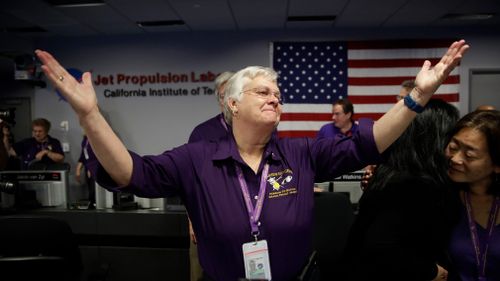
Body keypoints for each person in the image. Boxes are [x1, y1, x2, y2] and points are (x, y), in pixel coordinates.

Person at [35, 39, 468, 281]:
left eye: (278, 94)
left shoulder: (301, 152)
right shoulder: (196, 158)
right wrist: (89, 115)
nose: (275, 97)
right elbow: (133, 173)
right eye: (263, 91)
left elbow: (367, 143)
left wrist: (417, 98)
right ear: (232, 105)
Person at [342, 99, 460, 281]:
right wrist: (430, 271)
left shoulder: (389, 170)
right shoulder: (417, 184)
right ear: (435, 137)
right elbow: (380, 245)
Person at [188, 71, 234, 281]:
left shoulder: (260, 131)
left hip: (246, 221)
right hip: (206, 219)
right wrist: (192, 218)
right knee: (202, 272)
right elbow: (190, 180)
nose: (230, 100)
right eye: (225, 95)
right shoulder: (201, 133)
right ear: (219, 100)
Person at [446, 109, 500, 281]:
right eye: (453, 147)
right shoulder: (441, 198)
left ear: (497, 164)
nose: (455, 159)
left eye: (469, 154)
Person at [188, 71, 234, 143]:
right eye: (222, 97)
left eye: (230, 95)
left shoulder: (255, 128)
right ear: (219, 101)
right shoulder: (201, 132)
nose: (227, 101)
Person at [75, 134, 98, 208]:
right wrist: (78, 169)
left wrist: (92, 167)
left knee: (95, 193)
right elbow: (83, 155)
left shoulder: (97, 137)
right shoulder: (86, 138)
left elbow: (100, 155)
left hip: (97, 169)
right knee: (91, 192)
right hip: (88, 168)